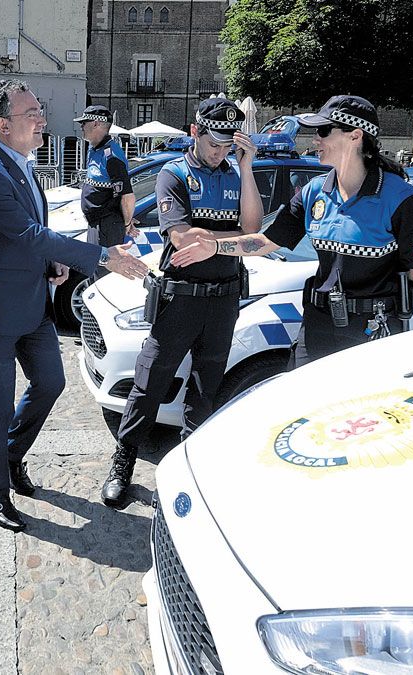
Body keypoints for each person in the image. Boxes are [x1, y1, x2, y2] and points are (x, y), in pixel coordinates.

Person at [0, 79, 148, 532]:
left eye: (39, 111)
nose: (42, 119)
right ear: (4, 126)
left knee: (50, 382)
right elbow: (28, 235)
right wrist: (102, 256)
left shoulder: (22, 163)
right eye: (31, 113)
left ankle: (9, 455)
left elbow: (27, 235)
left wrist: (50, 265)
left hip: (31, 300)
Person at [171, 94, 413, 366]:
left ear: (355, 135)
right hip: (318, 324)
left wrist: (384, 306)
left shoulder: (401, 199)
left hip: (372, 330)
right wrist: (215, 247)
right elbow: (266, 241)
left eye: (323, 131)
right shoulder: (314, 191)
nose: (315, 140)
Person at [100, 98, 264, 508]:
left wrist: (246, 169)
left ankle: (189, 465)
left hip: (224, 301)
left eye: (229, 146)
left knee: (206, 388)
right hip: (180, 302)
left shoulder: (234, 172)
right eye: (214, 144)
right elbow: (182, 238)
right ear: (195, 132)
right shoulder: (174, 173)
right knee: (149, 383)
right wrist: (228, 244)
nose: (221, 152)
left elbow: (256, 232)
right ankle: (123, 461)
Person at [74, 105, 138, 277]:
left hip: (107, 226)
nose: (81, 126)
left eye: (84, 122)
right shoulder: (95, 149)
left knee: (102, 275)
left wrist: (126, 223)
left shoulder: (112, 156)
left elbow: (128, 197)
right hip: (97, 223)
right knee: (94, 272)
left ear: (96, 123)